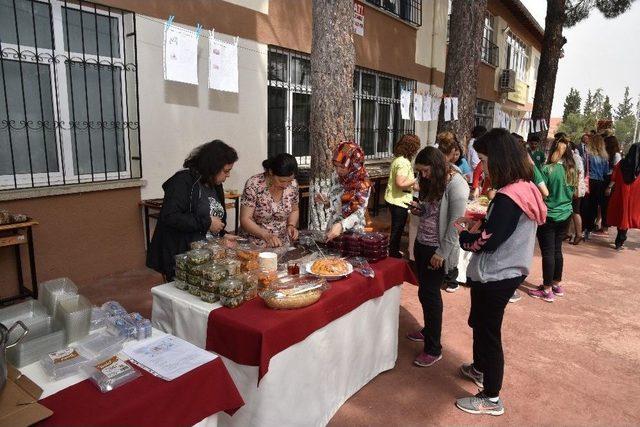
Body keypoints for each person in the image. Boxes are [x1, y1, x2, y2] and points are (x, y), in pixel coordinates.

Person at [453, 128, 547, 416]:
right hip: (505, 270)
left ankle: (491, 398)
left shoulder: (509, 196)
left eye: (484, 159)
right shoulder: (523, 187)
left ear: (499, 159)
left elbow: (490, 240)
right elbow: (501, 227)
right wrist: (481, 222)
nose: (482, 166)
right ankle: (480, 368)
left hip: (499, 272)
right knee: (480, 323)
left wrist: (465, 237)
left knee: (488, 331)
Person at [406, 146, 469, 367]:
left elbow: (456, 223)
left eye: (425, 171)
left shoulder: (457, 184)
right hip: (423, 243)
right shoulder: (432, 181)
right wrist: (419, 209)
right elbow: (431, 210)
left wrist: (442, 252)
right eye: (420, 172)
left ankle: (434, 348)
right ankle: (428, 330)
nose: (422, 176)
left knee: (431, 295)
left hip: (437, 249)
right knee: (424, 291)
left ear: (436, 166)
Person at [147, 140, 238, 281]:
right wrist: (207, 223)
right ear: (213, 167)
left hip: (206, 255)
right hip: (182, 255)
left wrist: (222, 234)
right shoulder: (182, 181)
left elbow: (213, 218)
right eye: (226, 171)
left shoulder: (215, 184)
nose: (228, 175)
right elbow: (171, 216)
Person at [528, 137, 577, 302]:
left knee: (548, 252)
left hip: (549, 215)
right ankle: (556, 284)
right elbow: (574, 192)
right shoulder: (572, 170)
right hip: (566, 213)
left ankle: (547, 288)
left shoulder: (548, 169)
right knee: (557, 250)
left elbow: (542, 191)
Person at [240, 153, 300, 247]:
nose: (285, 185)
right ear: (271, 172)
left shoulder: (293, 185)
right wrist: (266, 235)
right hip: (255, 244)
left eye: (289, 181)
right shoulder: (254, 184)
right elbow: (245, 219)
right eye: (282, 181)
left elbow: (294, 210)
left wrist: (291, 225)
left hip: (281, 243)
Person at [319, 141, 371, 241]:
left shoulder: (362, 181)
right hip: (334, 230)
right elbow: (337, 202)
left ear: (353, 164)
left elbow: (360, 212)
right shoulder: (338, 177)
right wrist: (327, 202)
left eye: (342, 167)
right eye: (336, 166)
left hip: (353, 234)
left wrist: (341, 226)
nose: (338, 170)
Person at [384, 134, 420, 258]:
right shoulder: (403, 162)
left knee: (397, 227)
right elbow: (400, 183)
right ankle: (393, 252)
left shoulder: (399, 160)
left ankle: (393, 250)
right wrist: (415, 180)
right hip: (398, 201)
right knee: (397, 228)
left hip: (395, 198)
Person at [606, 143, 640, 250]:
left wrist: (609, 187)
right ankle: (620, 239)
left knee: (620, 215)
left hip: (621, 194)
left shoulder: (621, 164)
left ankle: (619, 239)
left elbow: (614, 177)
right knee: (627, 216)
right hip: (634, 197)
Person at [583, 134, 610, 240]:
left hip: (589, 181)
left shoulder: (588, 155)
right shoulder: (605, 157)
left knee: (586, 205)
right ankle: (590, 228)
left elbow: (585, 169)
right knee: (595, 206)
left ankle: (585, 228)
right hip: (600, 183)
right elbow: (606, 172)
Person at [566, 140, 587, 245]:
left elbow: (579, 173)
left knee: (575, 211)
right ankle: (568, 232)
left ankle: (579, 234)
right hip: (572, 187)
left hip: (576, 188)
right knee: (571, 211)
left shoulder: (576, 157)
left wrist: (576, 189)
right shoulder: (570, 157)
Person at [602, 135, 622, 233]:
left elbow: (616, 172)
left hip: (610, 181)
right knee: (603, 203)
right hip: (605, 178)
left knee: (606, 204)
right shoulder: (608, 154)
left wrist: (610, 186)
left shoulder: (616, 155)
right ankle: (603, 224)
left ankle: (605, 225)